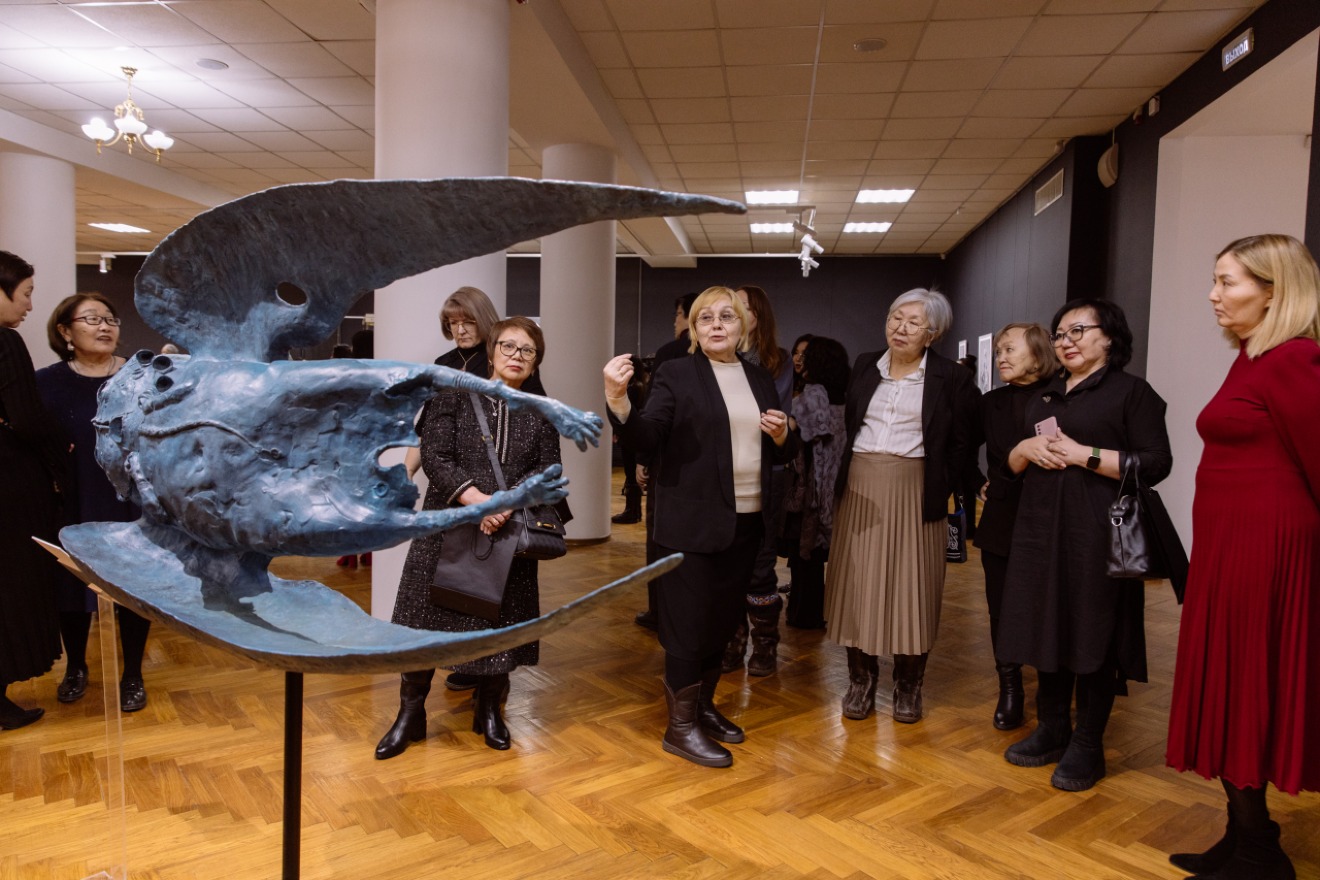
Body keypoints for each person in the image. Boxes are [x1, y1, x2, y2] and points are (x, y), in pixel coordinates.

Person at [1165, 234, 1320, 880]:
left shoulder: (1294, 360)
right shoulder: (1252, 358)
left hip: (1266, 552)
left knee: (1246, 685)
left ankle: (1259, 852)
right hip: (1230, 551)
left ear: (1274, 292)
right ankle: (1247, 835)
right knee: (1230, 685)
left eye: (1227, 282)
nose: (1213, 295)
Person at [604, 286, 792, 768]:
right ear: (693, 328)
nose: (716, 324)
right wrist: (618, 401)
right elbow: (647, 436)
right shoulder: (677, 373)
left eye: (726, 316)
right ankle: (680, 727)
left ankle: (703, 708)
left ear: (743, 325)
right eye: (705, 317)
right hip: (690, 525)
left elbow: (781, 450)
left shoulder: (758, 377)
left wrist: (784, 435)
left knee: (720, 624)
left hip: (746, 522)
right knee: (688, 628)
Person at [997, 298, 1172, 792]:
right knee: (1047, 627)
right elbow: (1013, 467)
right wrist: (1023, 449)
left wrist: (1084, 455)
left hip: (1099, 536)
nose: (1066, 341)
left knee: (1093, 634)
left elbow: (1156, 463)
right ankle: (1053, 728)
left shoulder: (1132, 393)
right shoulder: (1044, 397)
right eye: (1059, 334)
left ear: (1109, 337)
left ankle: (1088, 744)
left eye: (1078, 331)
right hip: (1040, 532)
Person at [377, 317, 565, 758]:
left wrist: (508, 504)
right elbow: (435, 455)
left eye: (527, 350)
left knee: (499, 623)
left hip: (507, 533)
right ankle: (410, 715)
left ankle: (489, 709)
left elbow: (548, 470)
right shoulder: (454, 394)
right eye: (508, 346)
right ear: (492, 351)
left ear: (536, 361)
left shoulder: (543, 412)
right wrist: (479, 501)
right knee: (423, 622)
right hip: (447, 524)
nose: (516, 356)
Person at [824, 288, 979, 724]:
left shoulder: (951, 378)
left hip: (917, 487)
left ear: (932, 334)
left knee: (915, 585)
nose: (901, 327)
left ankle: (909, 685)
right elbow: (851, 424)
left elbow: (963, 443)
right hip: (860, 484)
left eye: (914, 322)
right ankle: (861, 680)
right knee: (857, 582)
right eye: (896, 317)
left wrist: (942, 483)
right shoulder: (865, 365)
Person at [405, 286, 545, 690]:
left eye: (467, 321)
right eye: (452, 323)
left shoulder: (512, 357)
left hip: (502, 506)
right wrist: (406, 473)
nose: (460, 330)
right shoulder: (445, 366)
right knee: (430, 600)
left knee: (492, 598)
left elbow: (534, 434)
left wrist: (504, 501)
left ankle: (485, 685)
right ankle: (414, 705)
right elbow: (428, 436)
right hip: (454, 497)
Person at [35, 294, 153, 713]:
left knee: (134, 589)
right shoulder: (45, 383)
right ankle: (76, 667)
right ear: (65, 331)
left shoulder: (141, 376)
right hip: (72, 496)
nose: (104, 326)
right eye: (91, 319)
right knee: (71, 586)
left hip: (131, 498)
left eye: (110, 319)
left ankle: (133, 673)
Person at [973, 323, 1058, 731]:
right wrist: (977, 484)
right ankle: (1010, 689)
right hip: (1003, 518)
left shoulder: (1064, 395)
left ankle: (1051, 688)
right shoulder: (991, 403)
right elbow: (961, 448)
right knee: (1001, 607)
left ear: (1039, 353)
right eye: (998, 351)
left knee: (1047, 605)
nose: (1000, 358)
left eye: (1010, 349)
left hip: (1052, 519)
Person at [0, 251, 64, 730]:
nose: (28, 306)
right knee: (12, 584)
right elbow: (25, 417)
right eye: (24, 294)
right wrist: (61, 450)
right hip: (9, 485)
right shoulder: (5, 341)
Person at [722, 284, 793, 677]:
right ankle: (732, 643)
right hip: (722, 476)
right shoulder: (714, 359)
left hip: (767, 474)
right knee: (727, 564)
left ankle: (765, 645)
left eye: (742, 306)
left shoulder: (777, 361)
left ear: (758, 315)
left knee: (761, 565)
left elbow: (770, 414)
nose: (733, 312)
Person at [633, 292, 699, 631]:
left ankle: (659, 610)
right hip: (704, 469)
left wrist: (642, 460)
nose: (675, 322)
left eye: (677, 314)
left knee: (659, 537)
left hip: (666, 463)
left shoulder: (670, 353)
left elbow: (652, 416)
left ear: (688, 316)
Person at [782, 336, 849, 630]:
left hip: (809, 489)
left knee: (804, 555)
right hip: (834, 490)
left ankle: (804, 615)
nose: (799, 359)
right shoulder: (845, 399)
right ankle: (811, 611)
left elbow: (790, 435)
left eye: (805, 355)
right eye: (796, 353)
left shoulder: (811, 398)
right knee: (813, 555)